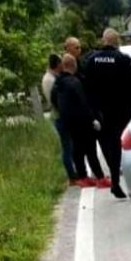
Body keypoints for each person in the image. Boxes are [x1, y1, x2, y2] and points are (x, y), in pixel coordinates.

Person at [83, 28, 131, 199]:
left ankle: (115, 181)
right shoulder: (122, 60)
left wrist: (93, 111)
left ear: (103, 40)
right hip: (122, 110)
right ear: (117, 42)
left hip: (101, 112)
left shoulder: (91, 61)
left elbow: (86, 88)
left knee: (111, 145)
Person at [51, 54, 108, 188]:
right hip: (82, 122)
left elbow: (54, 100)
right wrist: (92, 119)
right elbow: (83, 103)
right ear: (73, 65)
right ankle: (100, 177)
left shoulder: (58, 83)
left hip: (68, 122)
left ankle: (82, 177)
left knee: (77, 151)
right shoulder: (75, 82)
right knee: (91, 150)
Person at [42, 54, 78, 184]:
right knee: (67, 146)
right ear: (57, 64)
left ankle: (74, 173)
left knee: (70, 145)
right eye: (61, 63)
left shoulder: (53, 78)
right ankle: (72, 176)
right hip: (59, 116)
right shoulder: (50, 80)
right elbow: (55, 100)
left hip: (60, 115)